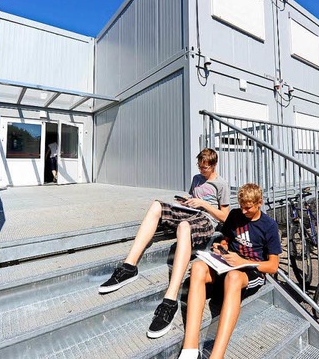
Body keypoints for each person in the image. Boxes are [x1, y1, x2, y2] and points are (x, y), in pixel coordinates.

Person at [98, 148, 230, 339]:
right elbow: (192, 198)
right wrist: (187, 202)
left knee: (184, 227)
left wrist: (204, 205)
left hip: (206, 220)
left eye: (206, 168)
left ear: (214, 165)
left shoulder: (221, 184)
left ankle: (170, 300)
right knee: (156, 205)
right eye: (200, 167)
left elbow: (224, 216)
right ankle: (129, 266)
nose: (202, 171)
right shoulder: (196, 178)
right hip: (190, 212)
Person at [178, 183, 281, 359]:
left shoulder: (269, 225)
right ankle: (189, 348)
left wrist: (243, 262)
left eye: (248, 208)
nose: (244, 211)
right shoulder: (235, 215)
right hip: (227, 263)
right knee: (197, 267)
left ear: (259, 203)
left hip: (250, 271)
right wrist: (222, 247)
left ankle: (217, 355)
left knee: (233, 277)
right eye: (241, 206)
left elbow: (273, 266)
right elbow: (227, 239)